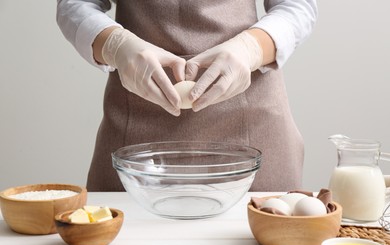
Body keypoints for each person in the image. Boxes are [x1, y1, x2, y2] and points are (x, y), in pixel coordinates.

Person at [56, 0, 318, 191]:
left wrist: (250, 49)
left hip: (251, 113)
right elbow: (74, 4)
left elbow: (297, 6)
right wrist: (117, 46)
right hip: (137, 120)